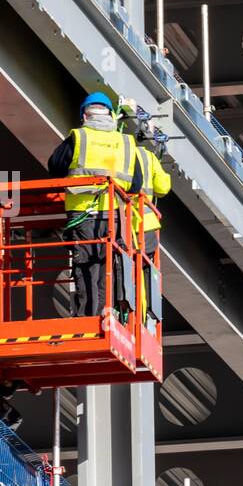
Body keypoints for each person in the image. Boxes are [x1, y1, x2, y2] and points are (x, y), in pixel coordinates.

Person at [47, 92, 145, 317]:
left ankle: (88, 317)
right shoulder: (126, 142)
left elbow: (55, 166)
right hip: (115, 213)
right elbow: (136, 184)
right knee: (108, 264)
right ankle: (107, 313)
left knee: (86, 265)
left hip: (84, 212)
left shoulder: (79, 137)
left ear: (84, 114)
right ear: (111, 114)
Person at [133, 143, 171, 323]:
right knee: (142, 270)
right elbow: (163, 188)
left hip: (117, 222)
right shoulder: (148, 156)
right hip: (145, 224)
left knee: (120, 269)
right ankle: (143, 317)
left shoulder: (113, 152)